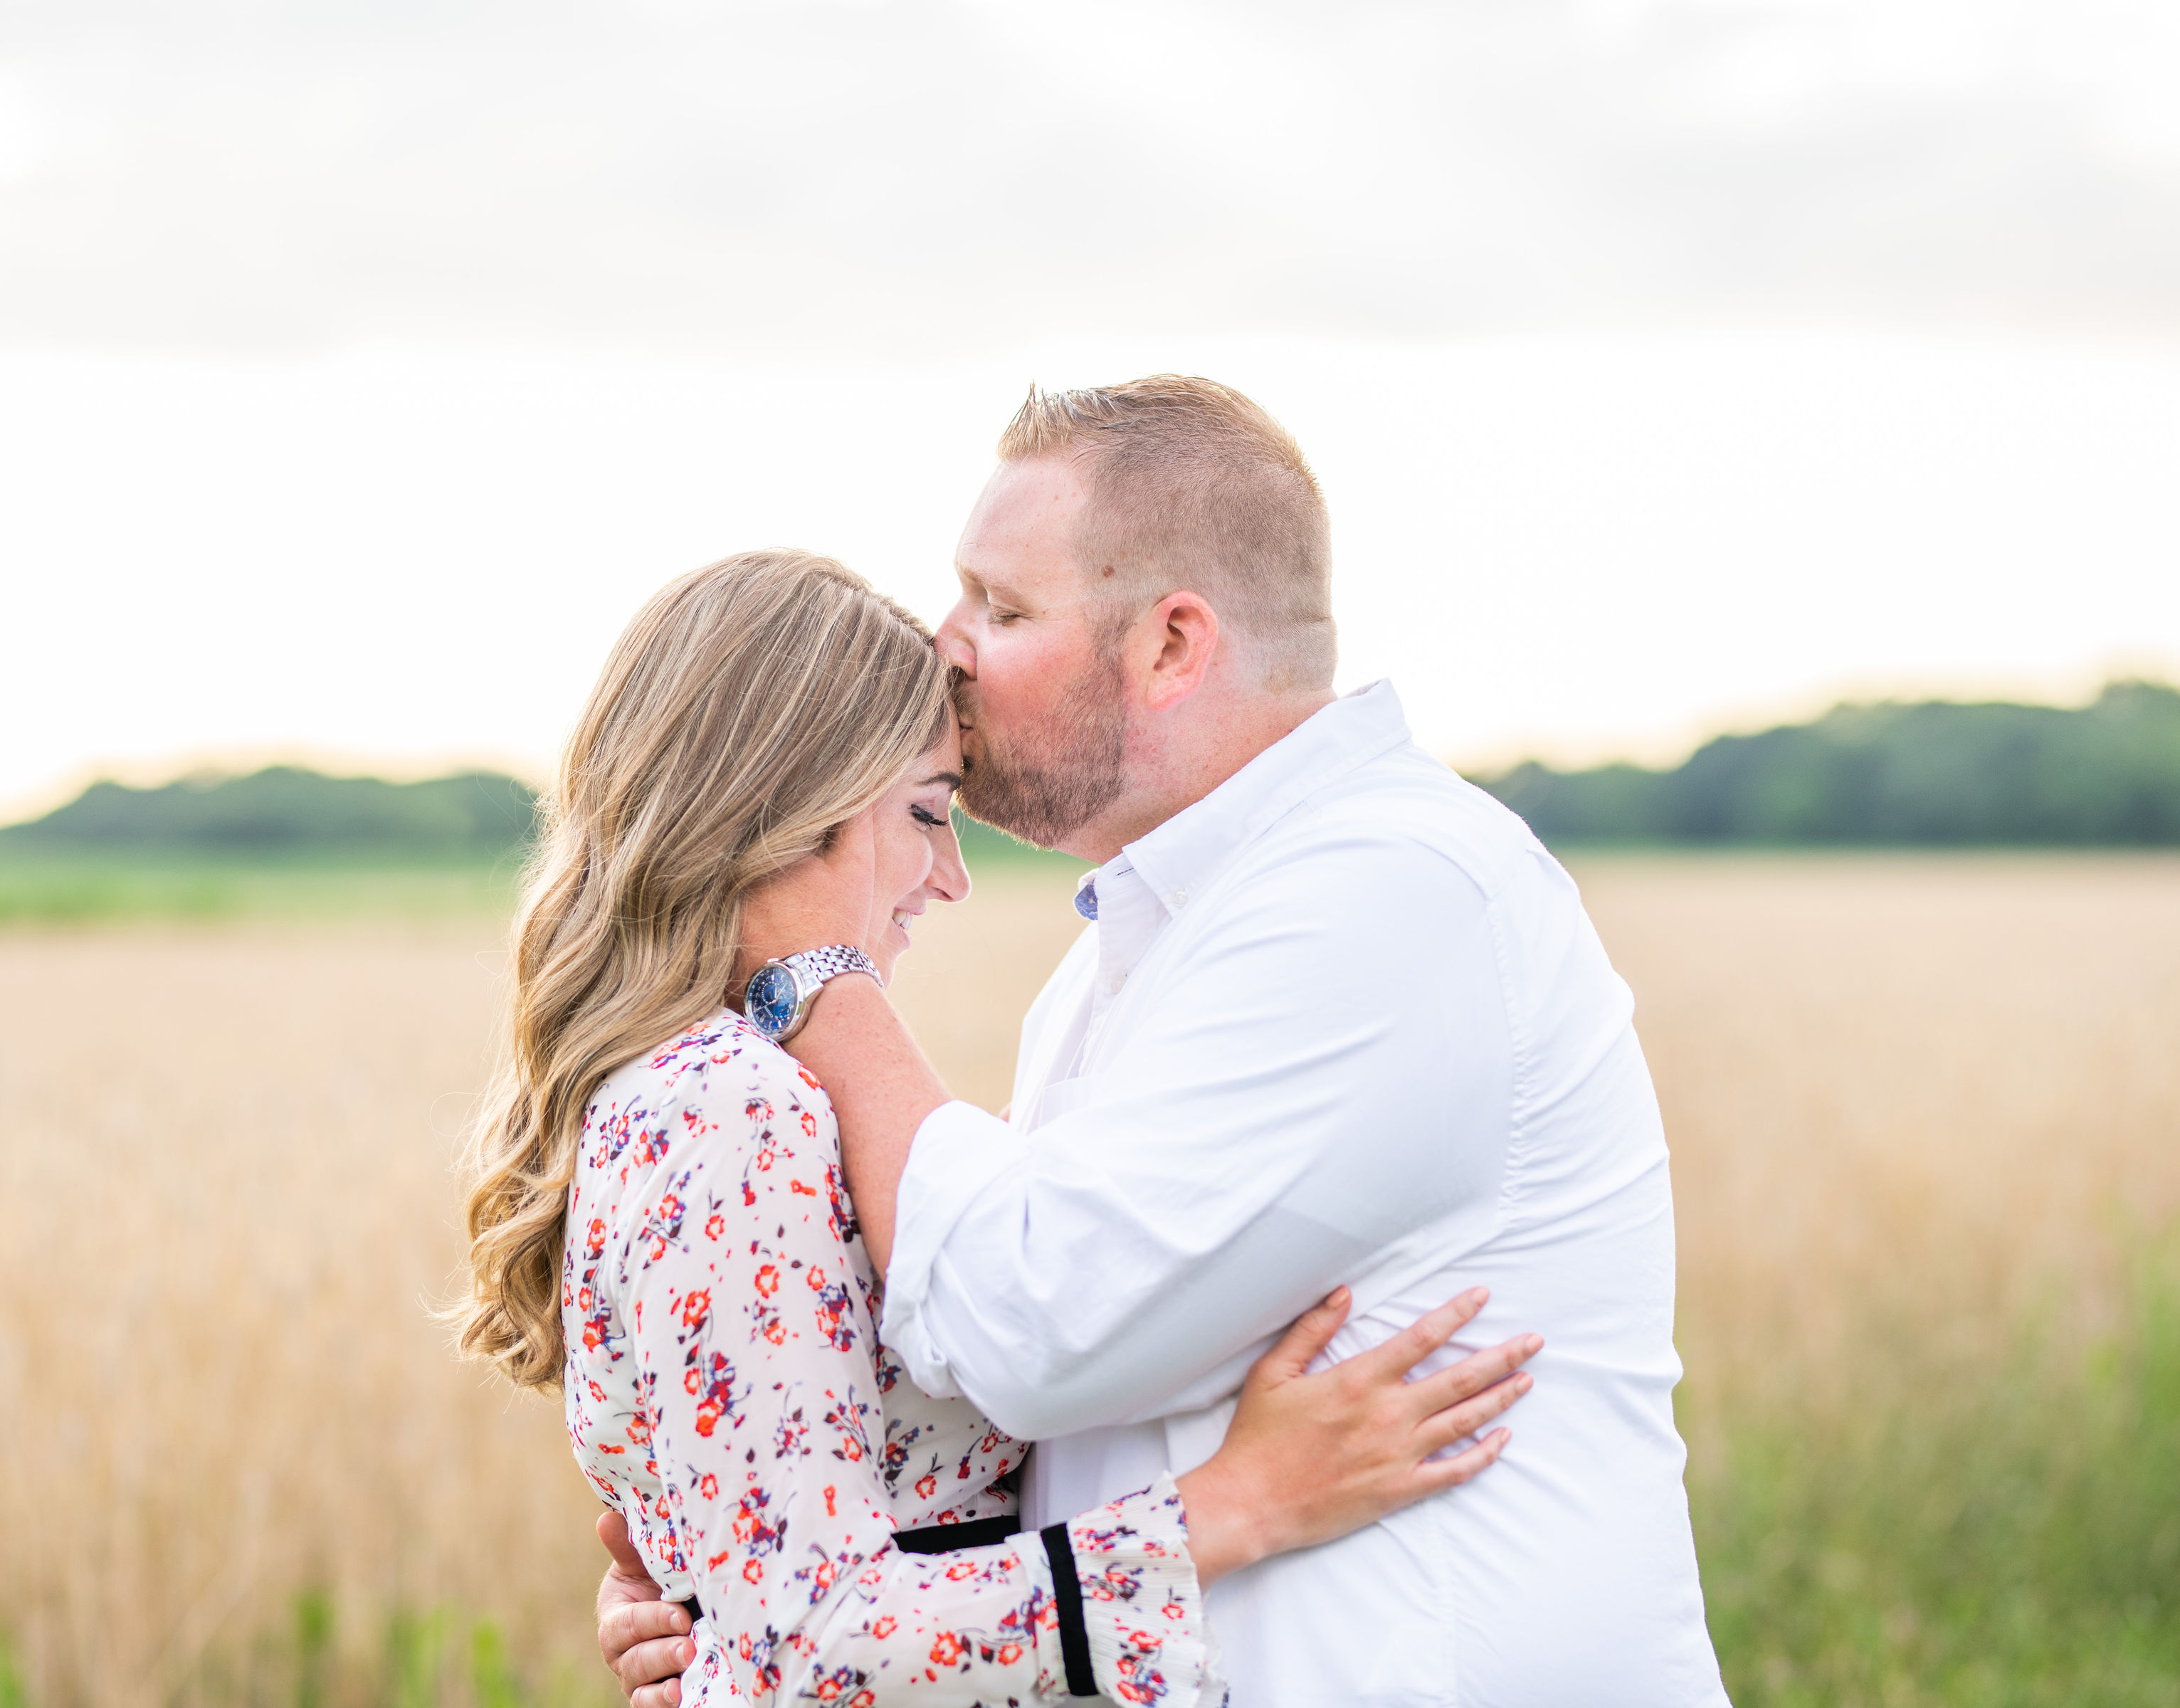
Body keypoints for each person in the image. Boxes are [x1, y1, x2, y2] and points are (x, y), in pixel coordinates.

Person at [605, 379, 1730, 1707]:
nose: (945, 648)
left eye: (1003, 608)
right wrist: (742, 1578)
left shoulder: (1393, 892)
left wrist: (814, 976)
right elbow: (1036, 1406)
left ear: (1171, 646)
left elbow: (1028, 1323)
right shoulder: (1128, 956)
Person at [449, 549, 1542, 1707]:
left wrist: (709, 1620)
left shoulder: (716, 1090)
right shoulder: (731, 1105)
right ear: (787, 812)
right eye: (926, 812)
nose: (950, 876)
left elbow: (767, 1604)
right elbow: (815, 1645)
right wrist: (1247, 1502)